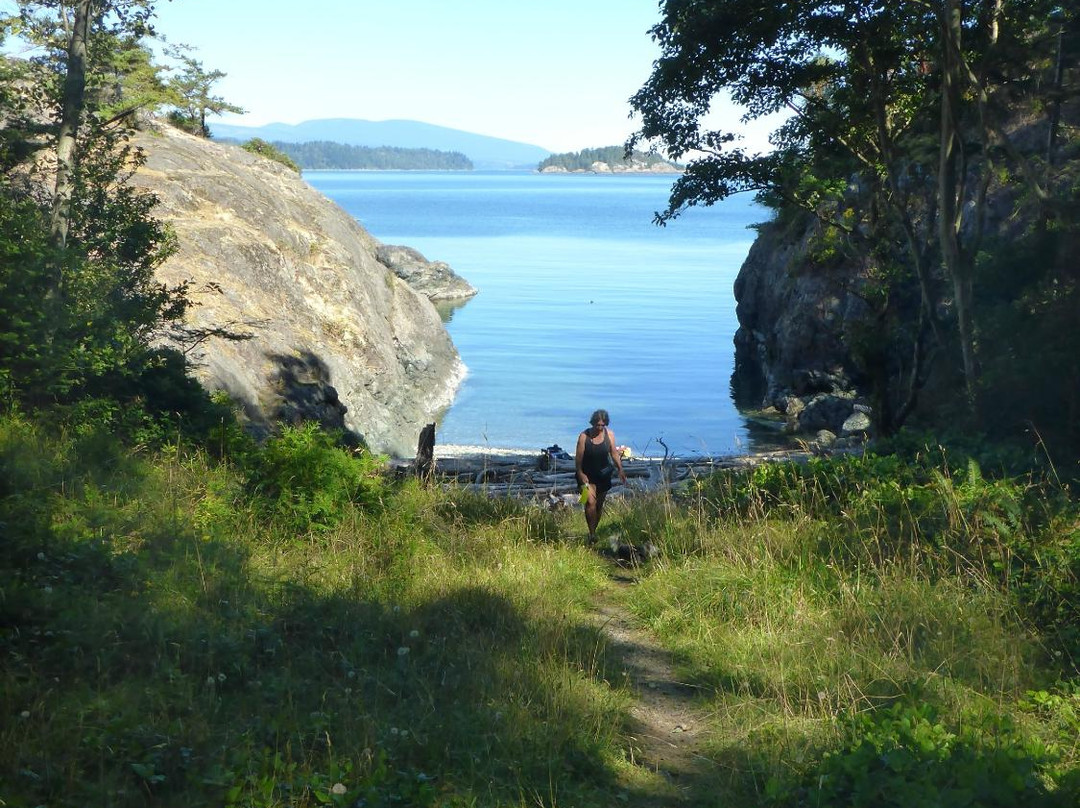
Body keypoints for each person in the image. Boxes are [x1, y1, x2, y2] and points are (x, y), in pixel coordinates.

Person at [575, 409, 627, 542]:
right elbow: (578, 458)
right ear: (592, 423)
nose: (599, 428)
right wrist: (580, 473)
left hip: (603, 475)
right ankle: (592, 534)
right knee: (589, 502)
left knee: (598, 505)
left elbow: (614, 453)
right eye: (597, 425)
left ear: (606, 425)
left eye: (602, 425)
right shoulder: (583, 436)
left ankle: (594, 530)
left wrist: (620, 469)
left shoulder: (609, 435)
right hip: (586, 476)